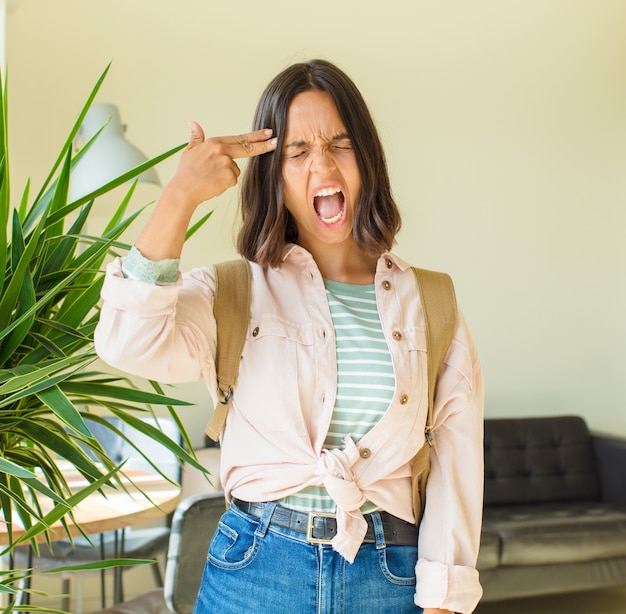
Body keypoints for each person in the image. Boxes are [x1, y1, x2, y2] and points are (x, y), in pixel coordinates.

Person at [94, 59, 484, 614]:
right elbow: (125, 342)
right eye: (297, 152)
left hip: (389, 574)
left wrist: (444, 601)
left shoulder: (431, 302)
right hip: (254, 571)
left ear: (366, 160)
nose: (321, 163)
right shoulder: (232, 292)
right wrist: (179, 194)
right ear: (273, 175)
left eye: (340, 144)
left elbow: (456, 462)